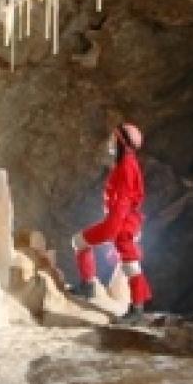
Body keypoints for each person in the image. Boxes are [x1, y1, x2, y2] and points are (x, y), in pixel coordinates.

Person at [72, 121, 153, 325]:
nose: (110, 141)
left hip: (121, 223)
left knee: (80, 242)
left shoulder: (126, 167)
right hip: (125, 221)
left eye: (114, 138)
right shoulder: (128, 162)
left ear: (121, 142)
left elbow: (123, 201)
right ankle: (136, 308)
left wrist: (112, 231)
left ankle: (90, 286)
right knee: (130, 265)